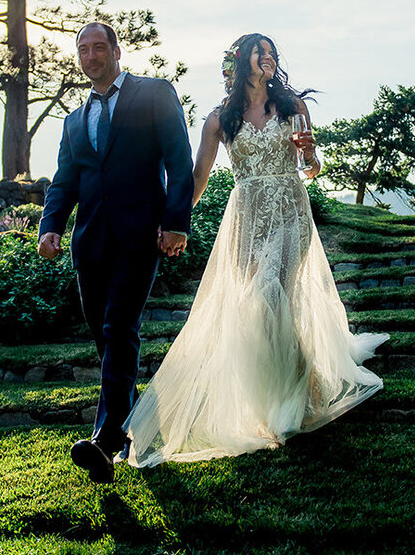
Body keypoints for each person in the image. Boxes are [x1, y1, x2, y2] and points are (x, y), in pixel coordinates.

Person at [122, 33, 387, 468]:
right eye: (259, 52)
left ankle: (294, 404)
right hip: (245, 215)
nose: (267, 59)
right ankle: (295, 389)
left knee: (272, 292)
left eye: (271, 53)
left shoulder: (293, 107)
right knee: (260, 307)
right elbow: (198, 177)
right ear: (241, 61)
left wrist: (311, 157)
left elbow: (312, 169)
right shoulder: (218, 120)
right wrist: (174, 220)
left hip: (289, 210)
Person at [37, 22, 194, 484]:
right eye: (82, 50)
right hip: (90, 244)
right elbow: (65, 181)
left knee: (118, 327)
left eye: (98, 47)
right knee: (106, 339)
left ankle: (105, 441)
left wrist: (175, 223)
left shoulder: (154, 94)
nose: (90, 56)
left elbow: (178, 161)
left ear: (117, 50)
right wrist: (51, 227)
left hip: (140, 236)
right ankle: (137, 423)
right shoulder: (73, 119)